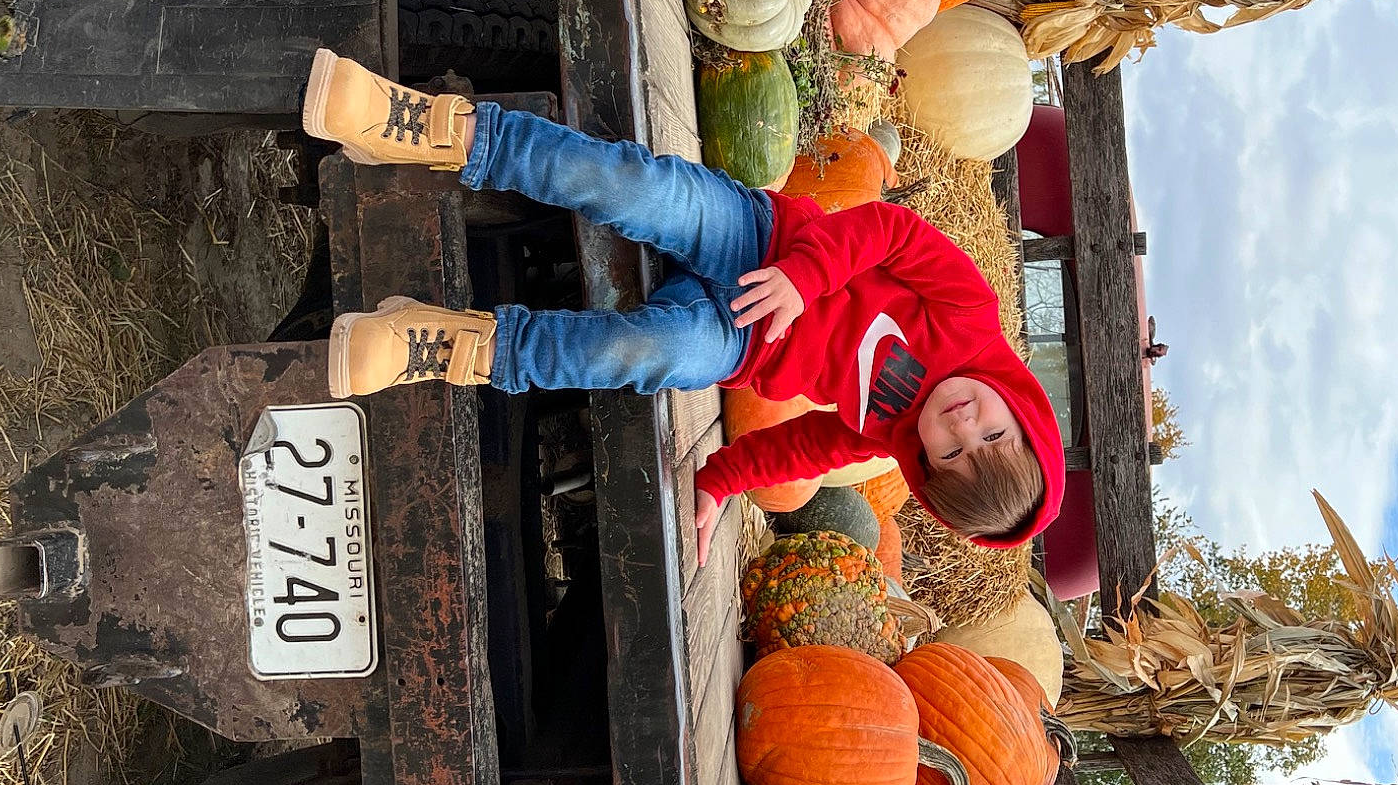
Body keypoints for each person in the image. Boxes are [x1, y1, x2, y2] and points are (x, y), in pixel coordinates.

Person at [302, 50, 1064, 563]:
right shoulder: (971, 315)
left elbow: (803, 451)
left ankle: (451, 346)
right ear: (1023, 415)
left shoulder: (886, 434)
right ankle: (428, 129)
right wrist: (805, 274)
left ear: (926, 468)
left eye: (956, 451)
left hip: (742, 344)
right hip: (761, 239)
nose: (964, 424)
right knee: (631, 186)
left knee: (641, 356)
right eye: (993, 430)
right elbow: (891, 230)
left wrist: (719, 481)